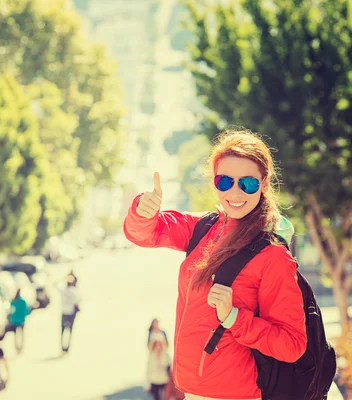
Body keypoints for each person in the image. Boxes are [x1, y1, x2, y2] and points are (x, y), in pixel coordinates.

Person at [123, 129, 306, 400]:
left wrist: (233, 317)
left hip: (236, 395)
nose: (235, 192)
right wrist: (143, 211)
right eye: (224, 181)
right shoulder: (205, 227)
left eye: (248, 184)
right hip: (191, 390)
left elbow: (292, 344)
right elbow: (147, 233)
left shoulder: (273, 257)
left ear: (264, 184)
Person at [60, 276, 80, 353]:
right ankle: (67, 346)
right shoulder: (74, 291)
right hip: (71, 312)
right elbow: (78, 301)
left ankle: (62, 346)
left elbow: (55, 284)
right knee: (70, 330)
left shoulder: (62, 289)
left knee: (62, 330)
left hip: (64, 311)